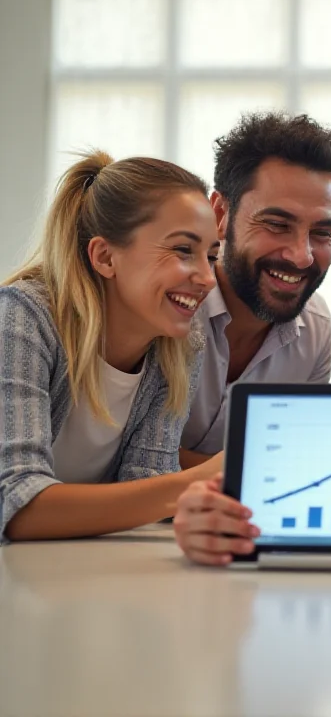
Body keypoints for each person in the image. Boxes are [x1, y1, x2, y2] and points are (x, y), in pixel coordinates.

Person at [0, 151, 223, 542]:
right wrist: (200, 480)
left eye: (212, 256)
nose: (208, 278)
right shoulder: (22, 319)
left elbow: (146, 483)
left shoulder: (180, 350)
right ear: (105, 256)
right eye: (183, 250)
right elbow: (17, 507)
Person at [179, 112, 331, 468]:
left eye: (322, 233)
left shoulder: (316, 330)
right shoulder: (170, 304)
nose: (301, 256)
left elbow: (287, 465)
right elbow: (129, 457)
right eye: (277, 224)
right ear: (219, 213)